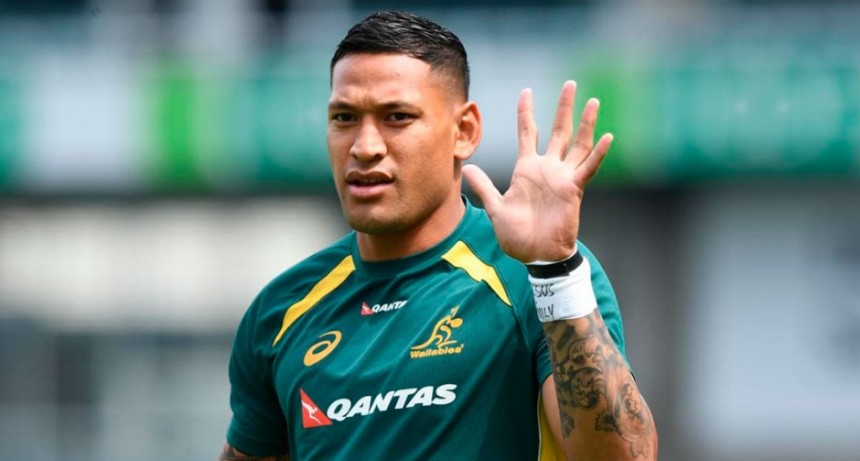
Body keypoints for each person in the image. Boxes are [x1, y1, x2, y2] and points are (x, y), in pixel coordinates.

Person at [220, 10, 657, 461]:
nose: (364, 147)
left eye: (397, 117)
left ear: (464, 131)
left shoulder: (535, 278)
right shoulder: (281, 309)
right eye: (345, 117)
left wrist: (556, 271)